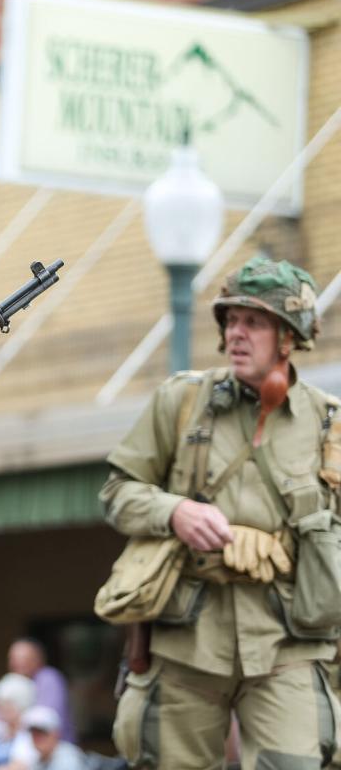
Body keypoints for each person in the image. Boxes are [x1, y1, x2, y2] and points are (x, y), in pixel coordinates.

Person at [101, 256, 341, 767]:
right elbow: (118, 493)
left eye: (253, 322)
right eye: (230, 320)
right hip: (187, 636)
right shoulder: (181, 402)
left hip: (289, 642)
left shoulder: (329, 425)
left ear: (289, 335)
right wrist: (174, 512)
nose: (236, 333)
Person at [3, 639, 73, 743]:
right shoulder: (9, 682)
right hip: (17, 749)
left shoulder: (49, 678)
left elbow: (45, 722)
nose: (18, 663)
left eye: (24, 658)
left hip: (54, 751)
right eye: (14, 659)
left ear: (38, 660)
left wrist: (14, 721)